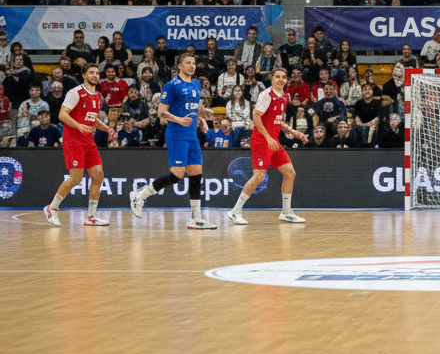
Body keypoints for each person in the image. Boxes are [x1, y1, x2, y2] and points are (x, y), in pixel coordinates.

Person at [129, 52, 217, 228]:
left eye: (193, 63)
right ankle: (140, 194)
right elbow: (162, 112)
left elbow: (188, 106)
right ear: (179, 65)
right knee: (177, 174)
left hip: (192, 134)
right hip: (177, 133)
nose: (192, 66)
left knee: (196, 173)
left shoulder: (197, 84)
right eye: (188, 63)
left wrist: (202, 112)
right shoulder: (171, 85)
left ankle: (196, 218)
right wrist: (178, 120)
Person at [227, 67, 308, 224]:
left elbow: (278, 119)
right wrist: (267, 137)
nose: (280, 79)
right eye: (277, 76)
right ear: (272, 79)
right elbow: (256, 117)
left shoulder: (284, 96)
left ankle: (286, 212)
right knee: (259, 176)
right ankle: (235, 212)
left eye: (283, 77)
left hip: (273, 141)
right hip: (261, 141)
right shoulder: (266, 95)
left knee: (290, 173)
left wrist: (294, 132)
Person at [42, 63, 116, 227]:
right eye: (91, 73)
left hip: (88, 141)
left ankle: (91, 216)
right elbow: (62, 115)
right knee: (75, 178)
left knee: (98, 174)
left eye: (97, 73)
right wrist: (79, 126)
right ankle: (51, 208)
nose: (95, 76)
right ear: (84, 75)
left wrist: (106, 128)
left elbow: (91, 118)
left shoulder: (97, 95)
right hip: (74, 140)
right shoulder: (75, 93)